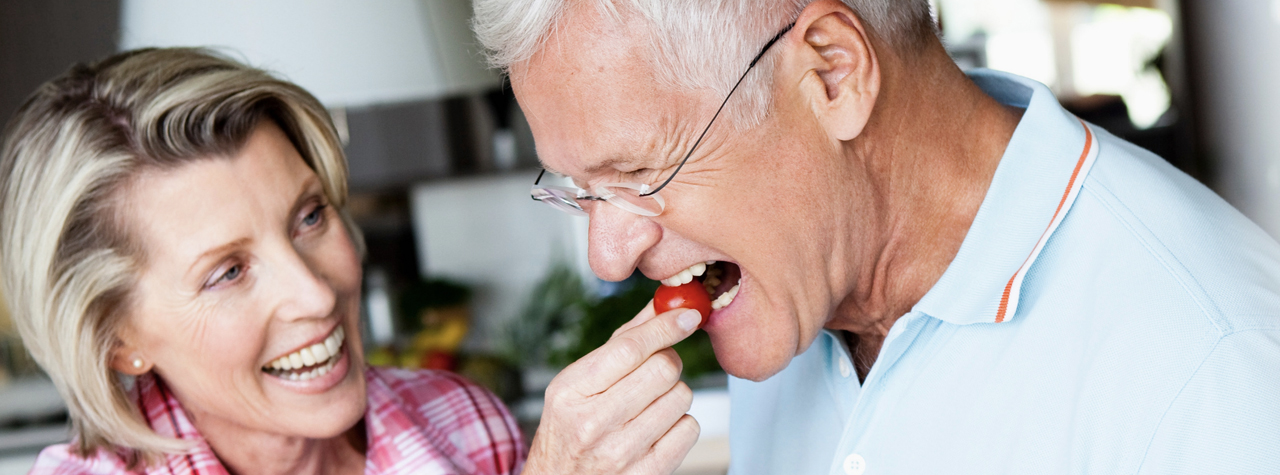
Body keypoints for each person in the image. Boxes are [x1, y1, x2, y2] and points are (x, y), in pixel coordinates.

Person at [474, 0, 1280, 473]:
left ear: (831, 74)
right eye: (583, 192)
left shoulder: (1212, 371)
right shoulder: (795, 280)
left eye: (639, 172)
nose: (607, 257)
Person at [0, 48, 525, 475]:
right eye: (228, 272)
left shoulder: (466, 425)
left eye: (310, 217)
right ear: (117, 341)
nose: (316, 294)